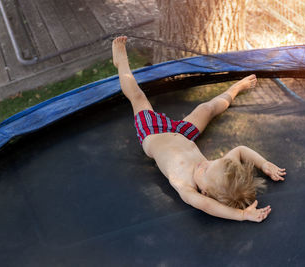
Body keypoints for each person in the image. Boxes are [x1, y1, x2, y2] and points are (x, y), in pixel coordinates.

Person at [112, 36, 286, 222]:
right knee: (207, 109)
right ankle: (235, 89)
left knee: (138, 96)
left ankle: (121, 62)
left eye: (205, 170)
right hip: (182, 133)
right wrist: (264, 164)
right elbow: (241, 150)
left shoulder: (186, 187)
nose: (205, 163)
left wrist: (242, 215)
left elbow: (207, 206)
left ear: (204, 191)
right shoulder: (219, 171)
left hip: (152, 133)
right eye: (212, 162)